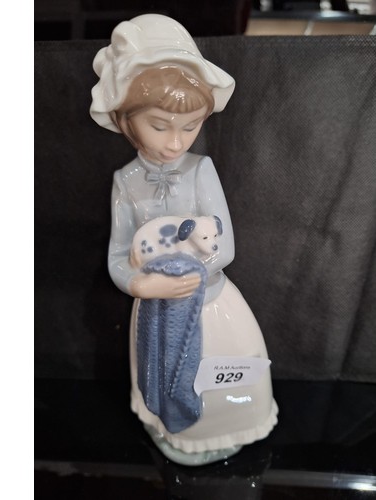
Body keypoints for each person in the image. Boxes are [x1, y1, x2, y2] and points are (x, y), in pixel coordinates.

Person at [90, 14, 278, 466]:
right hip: (157, 312)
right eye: (160, 126)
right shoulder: (125, 182)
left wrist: (191, 275)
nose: (176, 142)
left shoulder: (200, 171)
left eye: (190, 126)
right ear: (125, 121)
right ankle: (174, 429)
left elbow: (223, 244)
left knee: (224, 374)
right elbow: (119, 255)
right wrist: (140, 284)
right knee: (167, 375)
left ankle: (228, 429)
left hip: (211, 305)